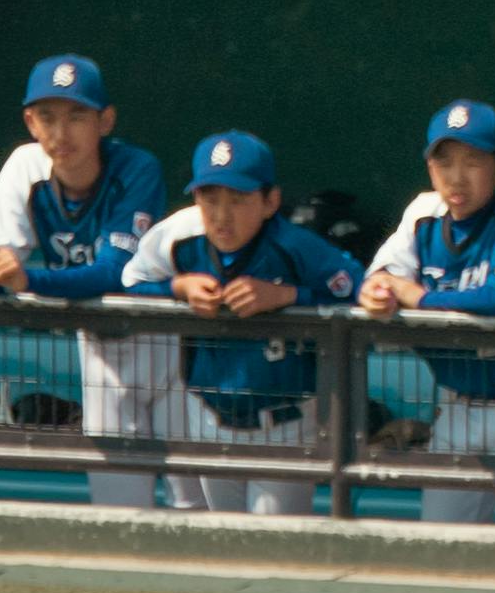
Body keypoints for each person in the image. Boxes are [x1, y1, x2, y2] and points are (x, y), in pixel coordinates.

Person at [0, 54, 174, 509]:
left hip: (172, 344)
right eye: (47, 116)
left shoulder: (136, 167)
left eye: (76, 115)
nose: (60, 131)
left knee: (197, 502)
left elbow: (116, 274)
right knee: (118, 507)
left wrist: (25, 278)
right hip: (99, 347)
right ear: (30, 122)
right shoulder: (24, 167)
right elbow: (0, 274)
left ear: (104, 120)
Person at [358, 99, 495, 530]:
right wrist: (379, 294)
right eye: (444, 162)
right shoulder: (422, 216)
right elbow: (377, 283)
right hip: (456, 407)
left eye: (472, 161)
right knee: (441, 546)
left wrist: (418, 299)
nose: (456, 176)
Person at [122, 133, 361, 516]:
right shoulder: (182, 237)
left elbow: (359, 291)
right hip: (208, 419)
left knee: (273, 549)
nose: (221, 215)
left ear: (270, 201)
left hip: (282, 424)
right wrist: (177, 287)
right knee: (227, 542)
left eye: (238, 199)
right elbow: (129, 283)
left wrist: (289, 297)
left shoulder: (293, 245)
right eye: (210, 199)